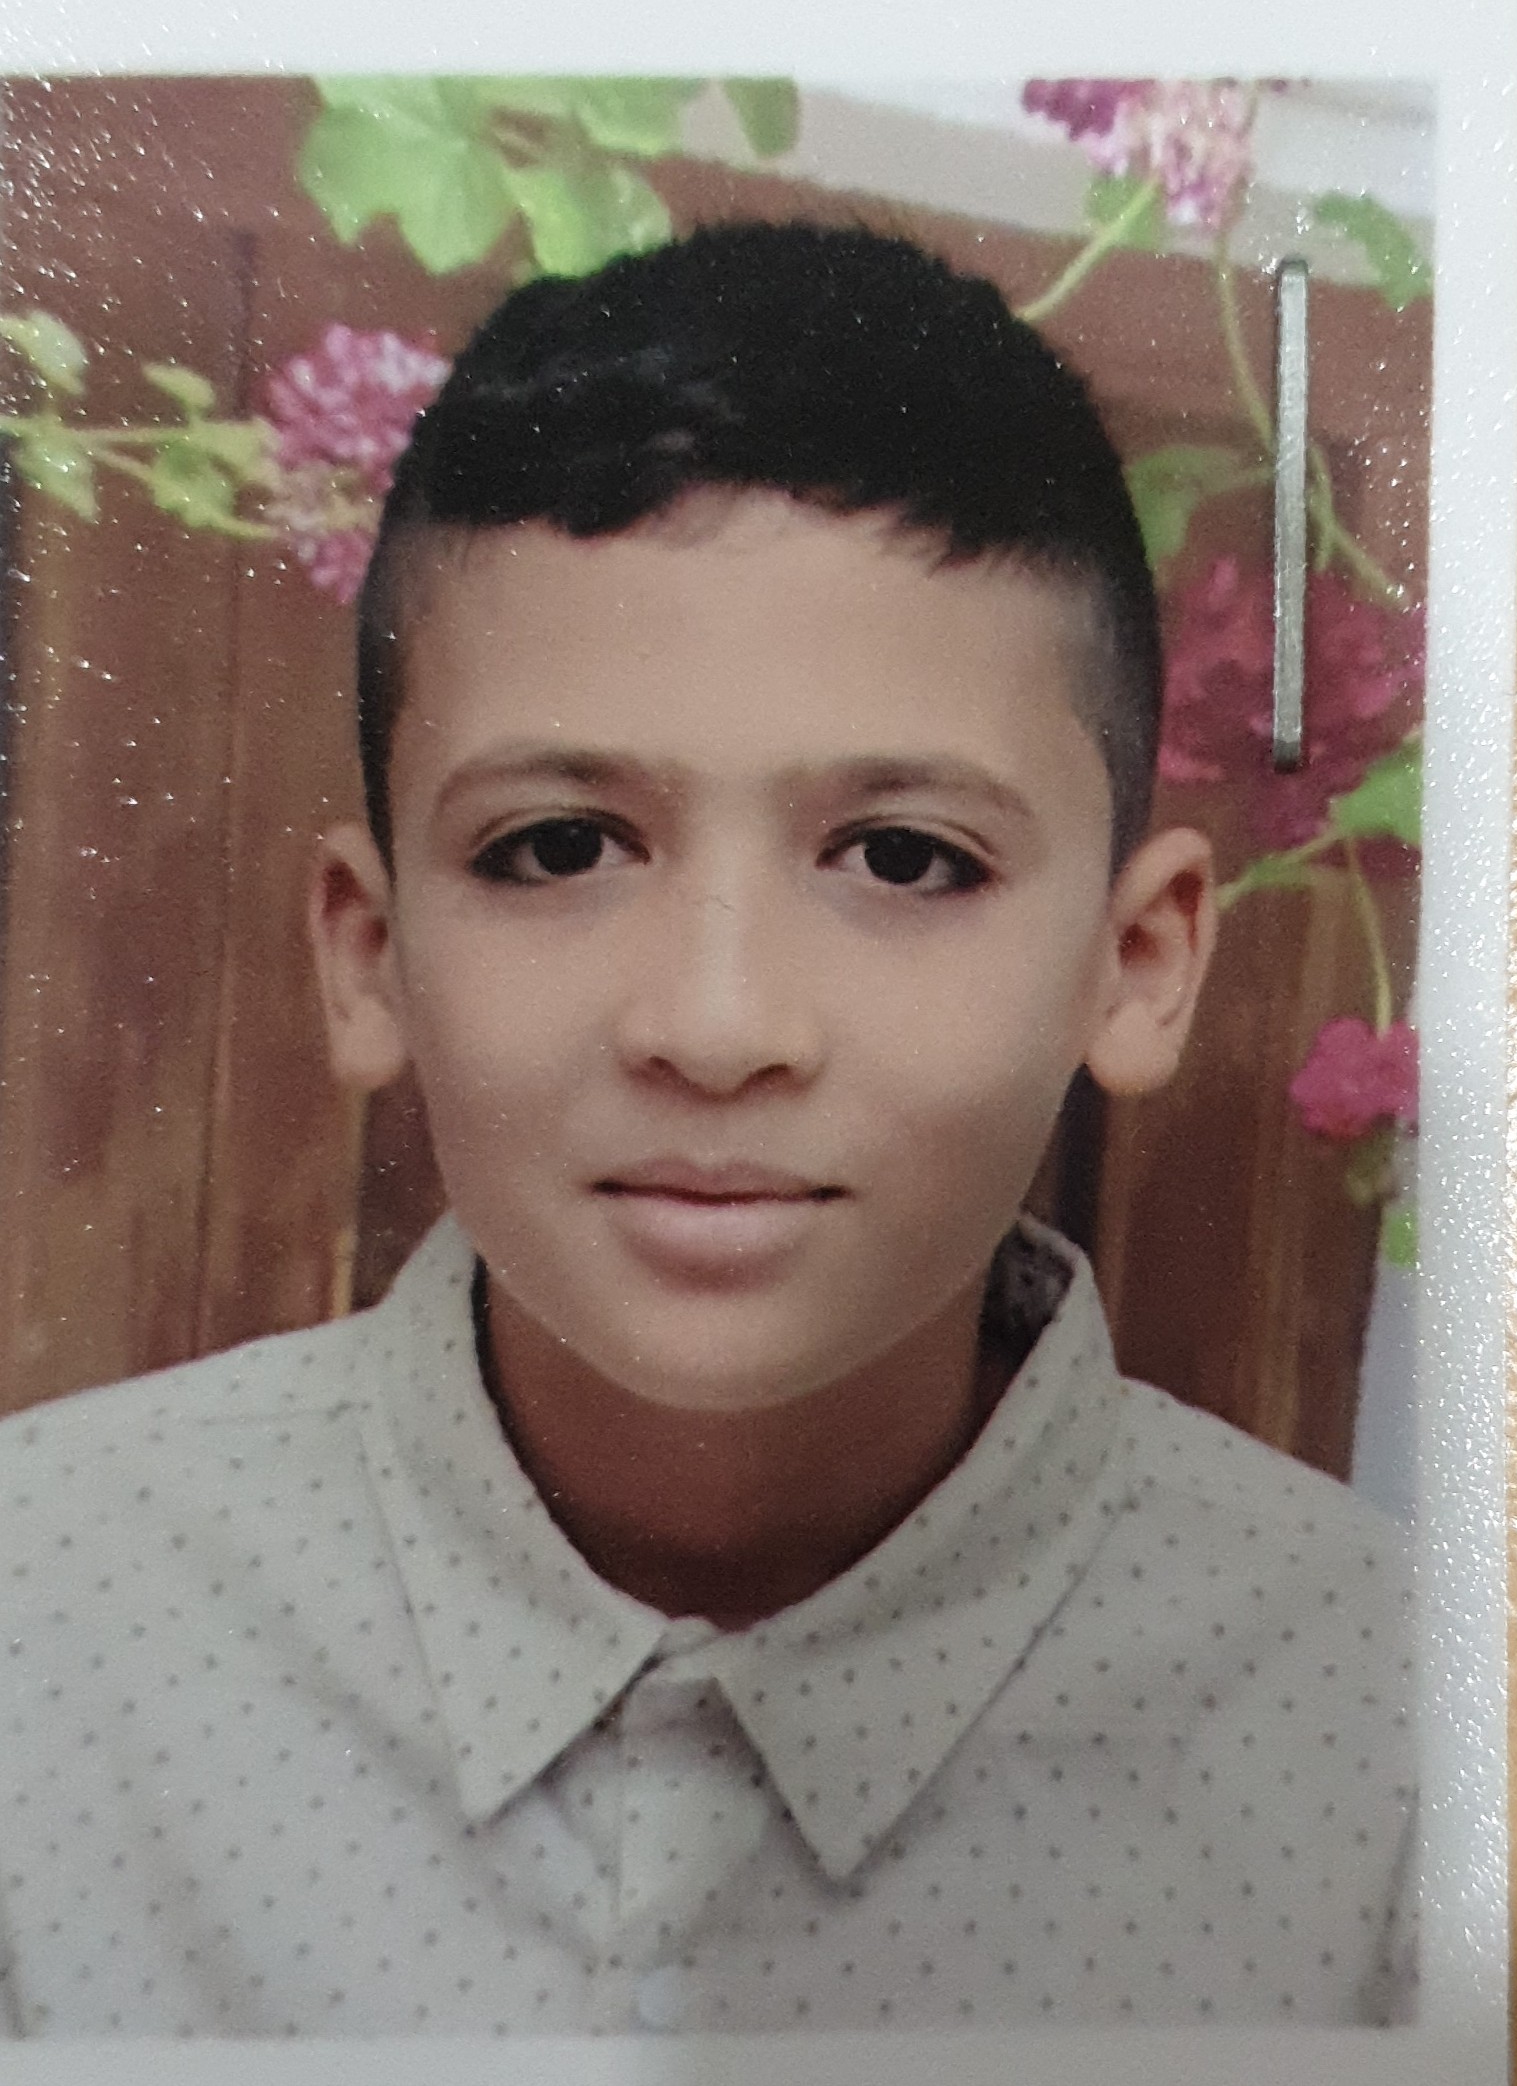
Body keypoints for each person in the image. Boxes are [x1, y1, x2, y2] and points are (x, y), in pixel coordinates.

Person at [0, 222, 1413, 2038]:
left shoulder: (1416, 1766)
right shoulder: (41, 1625)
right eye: (556, 846)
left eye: (904, 857)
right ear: (368, 953)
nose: (718, 1026)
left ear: (1134, 965)